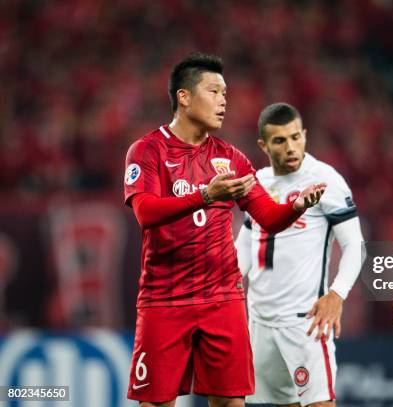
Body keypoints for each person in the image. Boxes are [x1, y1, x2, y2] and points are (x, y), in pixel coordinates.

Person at [123, 54, 326, 407]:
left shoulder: (231, 158)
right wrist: (205, 195)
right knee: (156, 402)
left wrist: (296, 206)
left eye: (225, 93)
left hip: (222, 299)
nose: (223, 101)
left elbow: (268, 217)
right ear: (184, 97)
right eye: (214, 91)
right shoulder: (147, 151)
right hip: (164, 298)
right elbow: (145, 212)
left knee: (231, 401)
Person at [235, 103, 365, 407]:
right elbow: (244, 245)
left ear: (304, 135)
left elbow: (355, 245)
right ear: (263, 145)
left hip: (303, 321)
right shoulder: (258, 182)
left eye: (296, 137)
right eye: (280, 141)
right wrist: (221, 288)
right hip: (259, 322)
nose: (291, 147)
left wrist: (336, 294)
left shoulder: (325, 180)